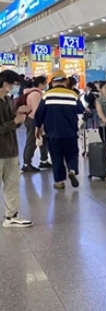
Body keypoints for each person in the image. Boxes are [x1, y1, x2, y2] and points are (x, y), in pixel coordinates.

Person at [35, 70, 86, 189]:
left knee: (56, 156)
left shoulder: (47, 95)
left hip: (53, 132)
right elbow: (80, 109)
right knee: (72, 153)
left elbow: (39, 114)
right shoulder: (72, 94)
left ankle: (59, 181)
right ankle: (72, 170)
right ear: (66, 82)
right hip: (70, 131)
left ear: (52, 82)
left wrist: (38, 127)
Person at [0, 70, 32, 228]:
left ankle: (11, 215)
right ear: (6, 83)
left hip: (11, 149)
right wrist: (15, 121)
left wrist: (18, 116)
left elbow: (11, 123)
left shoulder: (7, 100)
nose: (15, 87)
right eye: (14, 84)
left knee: (12, 184)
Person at [22, 76, 50, 173]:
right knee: (32, 141)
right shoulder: (35, 94)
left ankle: (44, 160)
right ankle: (26, 164)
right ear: (40, 84)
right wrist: (39, 125)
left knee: (43, 140)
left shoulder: (37, 93)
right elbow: (36, 110)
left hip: (36, 120)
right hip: (33, 120)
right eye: (45, 83)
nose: (46, 85)